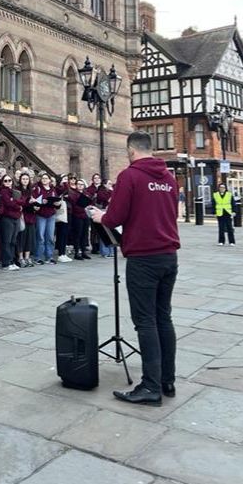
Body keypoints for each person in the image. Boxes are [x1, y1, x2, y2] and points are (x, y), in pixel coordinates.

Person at [90, 131, 181, 406]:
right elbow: (171, 214)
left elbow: (115, 216)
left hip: (144, 258)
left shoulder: (130, 176)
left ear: (131, 151)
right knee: (163, 317)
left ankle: (150, 387)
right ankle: (167, 379)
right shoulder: (169, 178)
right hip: (169, 256)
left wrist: (99, 216)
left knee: (145, 322)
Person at [32, 172, 58, 265]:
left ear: (50, 180)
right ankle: (38, 257)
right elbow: (34, 201)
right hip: (41, 215)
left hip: (51, 214)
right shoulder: (37, 188)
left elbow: (56, 201)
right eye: (43, 178)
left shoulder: (53, 190)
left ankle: (49, 256)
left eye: (46, 178)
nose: (44, 180)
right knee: (40, 237)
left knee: (50, 237)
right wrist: (41, 201)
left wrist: (57, 203)